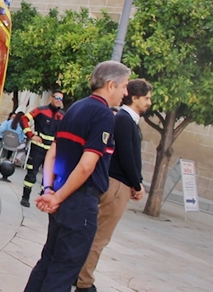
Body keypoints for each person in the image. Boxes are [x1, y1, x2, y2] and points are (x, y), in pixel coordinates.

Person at [23, 61, 130, 292]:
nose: (126, 93)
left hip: (63, 197)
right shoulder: (103, 115)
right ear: (111, 85)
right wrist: (57, 196)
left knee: (48, 261)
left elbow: (54, 151)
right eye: (124, 86)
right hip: (79, 201)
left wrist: (50, 189)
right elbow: (86, 165)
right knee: (64, 270)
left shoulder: (75, 108)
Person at [74, 79, 152, 292]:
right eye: (146, 98)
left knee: (96, 234)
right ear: (134, 97)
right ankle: (84, 282)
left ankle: (80, 275)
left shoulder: (127, 120)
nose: (149, 102)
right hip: (118, 185)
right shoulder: (125, 120)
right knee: (100, 237)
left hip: (119, 183)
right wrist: (137, 184)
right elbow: (127, 156)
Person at [19, 90, 65, 208]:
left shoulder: (62, 116)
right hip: (38, 148)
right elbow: (24, 119)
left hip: (52, 151)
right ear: (51, 98)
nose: (58, 101)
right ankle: (25, 197)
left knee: (48, 176)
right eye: (56, 98)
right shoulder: (41, 110)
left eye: (61, 99)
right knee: (32, 173)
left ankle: (43, 198)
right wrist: (31, 135)